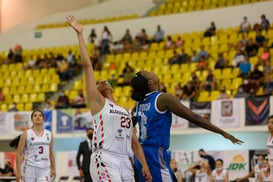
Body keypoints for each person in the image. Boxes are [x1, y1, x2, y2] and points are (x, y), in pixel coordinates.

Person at [66, 15, 152, 182]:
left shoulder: (125, 111)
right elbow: (87, 66)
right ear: (95, 90)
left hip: (125, 161)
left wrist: (144, 165)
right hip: (105, 157)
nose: (102, 81)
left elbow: (133, 141)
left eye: (105, 80)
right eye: (98, 82)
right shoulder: (98, 103)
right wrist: (80, 34)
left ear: (112, 87)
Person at [130, 71, 243, 182]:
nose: (154, 73)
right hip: (155, 154)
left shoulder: (139, 104)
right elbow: (194, 117)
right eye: (150, 73)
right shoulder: (163, 98)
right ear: (150, 82)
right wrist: (222, 132)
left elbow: (129, 127)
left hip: (140, 155)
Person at [16, 110, 56, 182]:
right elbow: (19, 153)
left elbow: (50, 152)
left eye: (40, 115)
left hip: (44, 169)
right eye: (35, 115)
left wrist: (53, 168)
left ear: (43, 119)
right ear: (32, 120)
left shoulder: (49, 134)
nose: (38, 117)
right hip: (30, 168)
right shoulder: (26, 134)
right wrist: (18, 171)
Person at [266, 115, 273, 180]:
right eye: (269, 122)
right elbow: (269, 154)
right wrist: (269, 165)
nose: (269, 125)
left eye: (272, 123)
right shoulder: (269, 139)